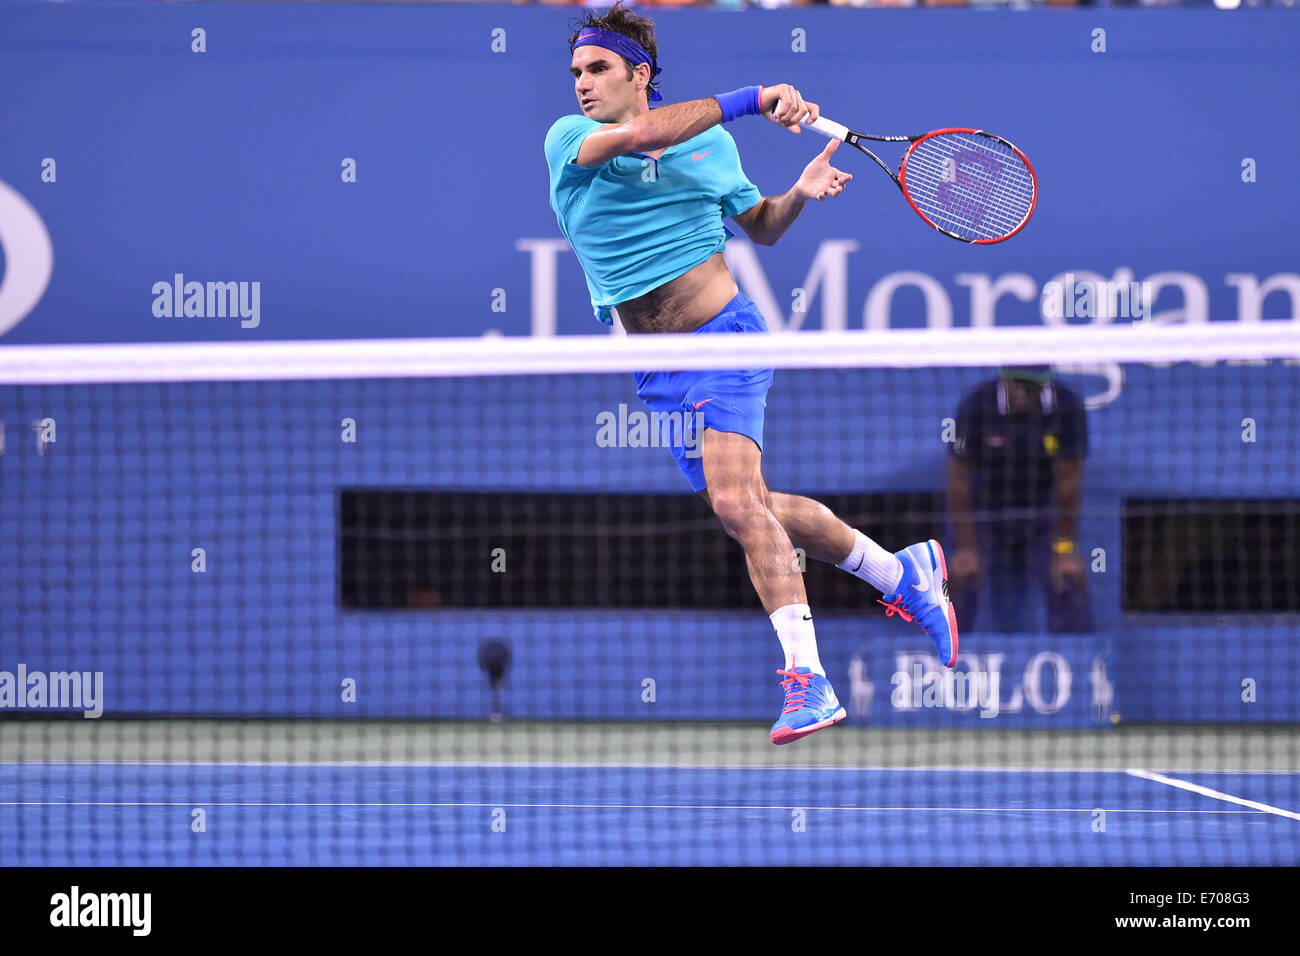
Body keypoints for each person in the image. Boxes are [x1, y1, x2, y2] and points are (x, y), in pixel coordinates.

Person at [543, 2, 958, 744]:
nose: (582, 83)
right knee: (755, 505)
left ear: (640, 74)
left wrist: (797, 193)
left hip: (726, 336)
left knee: (738, 505)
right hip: (658, 368)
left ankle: (809, 682)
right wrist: (752, 99)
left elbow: (760, 226)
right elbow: (638, 136)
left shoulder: (711, 150)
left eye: (598, 68)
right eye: (576, 71)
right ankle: (903, 575)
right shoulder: (572, 138)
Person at [946, 366, 1094, 633]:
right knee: (960, 578)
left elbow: (1069, 484)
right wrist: (966, 548)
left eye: (1032, 386)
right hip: (984, 511)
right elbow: (958, 481)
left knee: (1068, 577)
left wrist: (1063, 550)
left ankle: (1080, 665)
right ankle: (946, 662)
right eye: (1017, 383)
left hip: (1043, 513)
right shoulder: (977, 404)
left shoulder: (1067, 406)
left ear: (1045, 384)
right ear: (1005, 379)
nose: (1023, 392)